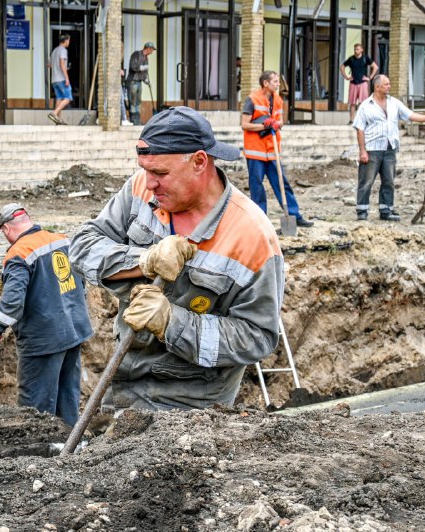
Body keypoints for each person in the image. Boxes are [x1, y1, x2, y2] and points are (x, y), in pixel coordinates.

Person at [69, 107, 284, 412]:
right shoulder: (141, 189)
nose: (150, 182)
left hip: (189, 410)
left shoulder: (252, 236)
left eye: (160, 173)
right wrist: (143, 260)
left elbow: (257, 338)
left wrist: (172, 323)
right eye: (145, 169)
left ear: (199, 161)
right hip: (123, 381)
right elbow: (81, 247)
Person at [0, 203, 93, 425]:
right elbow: (80, 282)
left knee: (35, 406)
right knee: (67, 397)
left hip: (43, 339)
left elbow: (13, 300)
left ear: (6, 229)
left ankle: (38, 455)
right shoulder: (61, 239)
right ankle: (70, 449)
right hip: (74, 331)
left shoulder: (19, 253)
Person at [352, 74, 425, 221]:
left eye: (389, 84)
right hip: (372, 149)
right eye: (386, 84)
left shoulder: (394, 103)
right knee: (367, 181)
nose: (389, 86)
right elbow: (360, 129)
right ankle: (362, 211)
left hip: (390, 148)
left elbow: (411, 115)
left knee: (389, 181)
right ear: (377, 87)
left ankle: (386, 210)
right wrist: (362, 150)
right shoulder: (365, 106)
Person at [241, 70, 314, 228]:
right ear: (265, 83)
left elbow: (280, 120)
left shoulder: (278, 100)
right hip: (256, 151)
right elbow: (244, 124)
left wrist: (276, 124)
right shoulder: (252, 99)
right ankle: (260, 218)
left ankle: (294, 214)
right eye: (274, 81)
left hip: (272, 150)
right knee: (257, 185)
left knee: (282, 183)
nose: (278, 83)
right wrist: (263, 125)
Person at [340, 44, 378, 124]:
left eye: (357, 49)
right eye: (355, 49)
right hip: (353, 83)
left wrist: (370, 77)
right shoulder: (351, 59)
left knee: (363, 103)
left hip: (363, 83)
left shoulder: (365, 58)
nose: (355, 51)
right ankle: (351, 120)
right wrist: (346, 77)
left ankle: (362, 120)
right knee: (352, 103)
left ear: (361, 50)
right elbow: (342, 67)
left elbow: (375, 67)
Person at [125, 41, 156, 125]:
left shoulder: (146, 58)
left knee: (138, 101)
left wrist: (146, 80)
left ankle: (137, 119)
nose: (152, 52)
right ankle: (133, 119)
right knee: (133, 101)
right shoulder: (136, 54)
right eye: (152, 50)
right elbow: (133, 67)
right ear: (148, 48)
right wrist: (141, 68)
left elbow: (145, 72)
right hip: (132, 81)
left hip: (139, 82)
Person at [47, 34, 72, 126]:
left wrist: (63, 67)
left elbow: (49, 65)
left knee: (59, 98)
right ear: (65, 41)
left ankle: (57, 120)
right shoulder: (63, 50)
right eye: (68, 40)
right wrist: (67, 78)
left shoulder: (54, 51)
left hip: (54, 79)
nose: (69, 42)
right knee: (68, 98)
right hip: (61, 79)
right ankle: (54, 113)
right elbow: (62, 64)